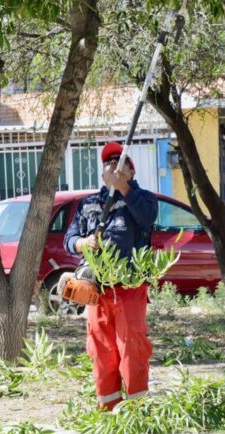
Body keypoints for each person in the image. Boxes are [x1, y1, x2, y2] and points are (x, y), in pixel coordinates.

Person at [63, 141, 158, 411]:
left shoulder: (143, 199)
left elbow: (148, 218)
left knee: (132, 348)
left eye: (120, 162)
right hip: (97, 290)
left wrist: (124, 189)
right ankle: (108, 409)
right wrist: (83, 243)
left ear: (131, 172)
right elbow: (69, 240)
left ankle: (137, 410)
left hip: (129, 287)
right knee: (101, 350)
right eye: (109, 162)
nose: (113, 165)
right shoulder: (89, 204)